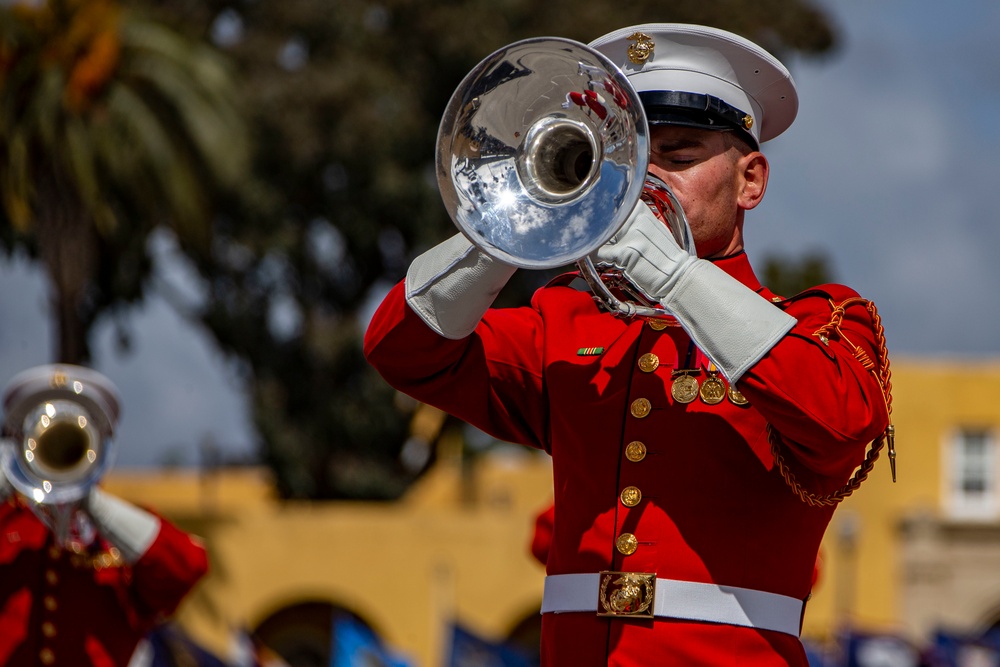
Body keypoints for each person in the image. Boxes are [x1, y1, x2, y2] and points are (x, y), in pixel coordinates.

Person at [365, 23, 892, 666]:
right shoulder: (569, 319)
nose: (648, 181)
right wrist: (517, 224)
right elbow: (403, 349)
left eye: (678, 154)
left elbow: (839, 421)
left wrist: (670, 273)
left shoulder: (824, 323)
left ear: (750, 179)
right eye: (630, 159)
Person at [0, 364, 210, 666]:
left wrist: (92, 501)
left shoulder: (120, 536)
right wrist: (11, 472)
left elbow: (185, 567)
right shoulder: (7, 521)